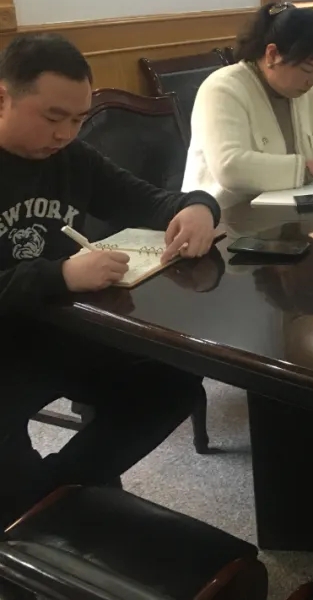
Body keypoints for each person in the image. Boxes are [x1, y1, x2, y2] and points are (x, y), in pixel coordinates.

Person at [0, 34, 221, 527]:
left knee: (173, 382)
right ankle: (47, 505)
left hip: (61, 328)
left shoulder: (69, 157)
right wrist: (59, 274)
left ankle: (59, 491)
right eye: (53, 117)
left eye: (78, 120)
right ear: (3, 98)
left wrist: (198, 207)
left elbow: (146, 199)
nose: (65, 134)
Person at [183, 3, 313, 209]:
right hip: (223, 219)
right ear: (272, 54)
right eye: (307, 70)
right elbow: (229, 166)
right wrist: (310, 170)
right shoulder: (223, 88)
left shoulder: (309, 91)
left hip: (287, 216)